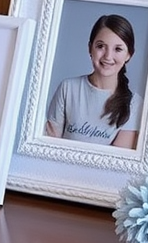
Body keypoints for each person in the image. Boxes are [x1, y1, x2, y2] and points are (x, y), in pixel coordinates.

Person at [44, 13, 141, 148]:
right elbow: (48, 145)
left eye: (118, 49)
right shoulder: (68, 88)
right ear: (90, 48)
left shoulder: (134, 104)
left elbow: (117, 162)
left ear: (129, 55)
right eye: (100, 46)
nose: (108, 56)